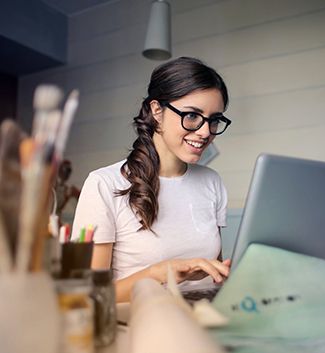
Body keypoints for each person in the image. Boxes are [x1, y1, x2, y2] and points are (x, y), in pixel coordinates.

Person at [72, 57, 232, 302]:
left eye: (214, 120)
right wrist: (158, 273)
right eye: (192, 116)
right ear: (157, 111)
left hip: (203, 317)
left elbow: (215, 272)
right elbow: (89, 295)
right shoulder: (104, 184)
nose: (205, 132)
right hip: (142, 322)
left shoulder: (212, 182)